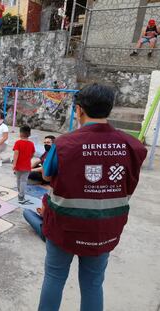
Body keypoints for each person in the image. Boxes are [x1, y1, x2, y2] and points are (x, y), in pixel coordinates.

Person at [38, 83, 147, 311]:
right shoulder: (131, 145)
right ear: (110, 109)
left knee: (54, 279)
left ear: (78, 110)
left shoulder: (64, 144)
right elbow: (129, 186)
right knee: (93, 285)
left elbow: (47, 176)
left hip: (64, 227)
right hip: (104, 229)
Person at [13, 125, 36, 202]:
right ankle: (21, 195)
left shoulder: (18, 143)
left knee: (18, 180)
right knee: (24, 181)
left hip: (18, 165)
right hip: (27, 166)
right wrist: (28, 159)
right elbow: (33, 154)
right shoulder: (31, 144)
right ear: (29, 134)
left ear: (20, 134)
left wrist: (14, 164)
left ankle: (20, 193)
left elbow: (16, 154)